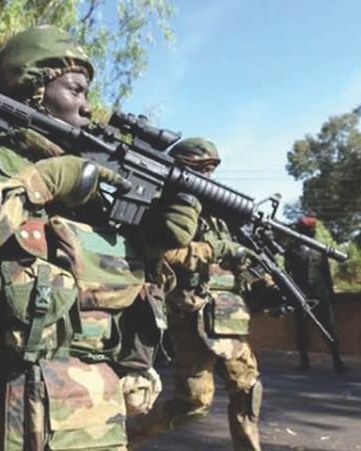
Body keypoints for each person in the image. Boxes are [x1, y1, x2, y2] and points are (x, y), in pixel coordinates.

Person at [0, 26, 199, 450]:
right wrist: (39, 183)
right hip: (4, 406)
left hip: (99, 406)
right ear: (33, 89)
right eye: (75, 89)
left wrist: (157, 237)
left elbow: (118, 275)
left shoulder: (92, 178)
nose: (86, 105)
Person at [127, 138, 275, 451]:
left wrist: (266, 283)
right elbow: (162, 254)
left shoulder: (220, 215)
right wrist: (216, 249)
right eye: (201, 170)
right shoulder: (164, 207)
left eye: (211, 170)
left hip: (228, 317)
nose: (209, 178)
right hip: (191, 318)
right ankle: (124, 439)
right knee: (193, 403)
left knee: (248, 390)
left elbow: (240, 257)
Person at [284, 216, 348, 373]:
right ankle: (304, 361)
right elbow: (287, 273)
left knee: (329, 327)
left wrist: (331, 294)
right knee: (302, 329)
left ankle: (337, 360)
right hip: (301, 295)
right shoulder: (292, 249)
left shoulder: (320, 248)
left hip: (321, 295)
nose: (312, 232)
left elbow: (326, 273)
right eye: (308, 229)